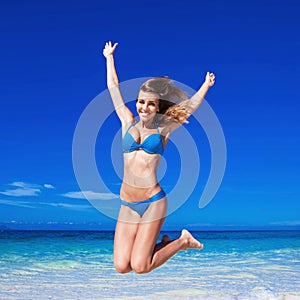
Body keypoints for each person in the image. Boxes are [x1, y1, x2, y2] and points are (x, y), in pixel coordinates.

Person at [103, 41, 215, 274]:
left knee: (141, 266)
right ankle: (164, 244)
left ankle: (182, 241)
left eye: (150, 103)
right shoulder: (126, 121)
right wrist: (109, 58)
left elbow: (189, 107)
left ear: (157, 106)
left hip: (153, 200)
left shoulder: (163, 129)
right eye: (141, 102)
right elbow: (113, 87)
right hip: (127, 203)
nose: (144, 107)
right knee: (122, 266)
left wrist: (205, 85)